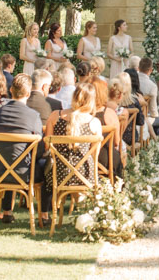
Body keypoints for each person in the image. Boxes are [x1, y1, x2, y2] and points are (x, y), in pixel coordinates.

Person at [0, 74, 44, 224]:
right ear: (28, 94)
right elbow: (40, 149)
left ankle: (4, 210)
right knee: (40, 163)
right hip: (24, 172)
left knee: (8, 156)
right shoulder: (33, 116)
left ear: (11, 90)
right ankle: (44, 215)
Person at [42, 83, 103, 223]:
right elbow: (95, 155)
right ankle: (86, 213)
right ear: (92, 101)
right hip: (85, 175)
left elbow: (47, 146)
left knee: (45, 167)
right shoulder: (94, 122)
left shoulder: (55, 116)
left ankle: (45, 214)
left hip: (58, 174)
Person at [91, 78, 124, 178]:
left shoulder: (80, 115)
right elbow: (116, 142)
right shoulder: (109, 113)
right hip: (105, 159)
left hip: (83, 160)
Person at [137, 58, 159, 137]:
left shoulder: (131, 80)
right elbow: (153, 110)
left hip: (132, 115)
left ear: (138, 68)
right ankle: (154, 143)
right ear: (151, 70)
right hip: (143, 116)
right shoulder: (152, 85)